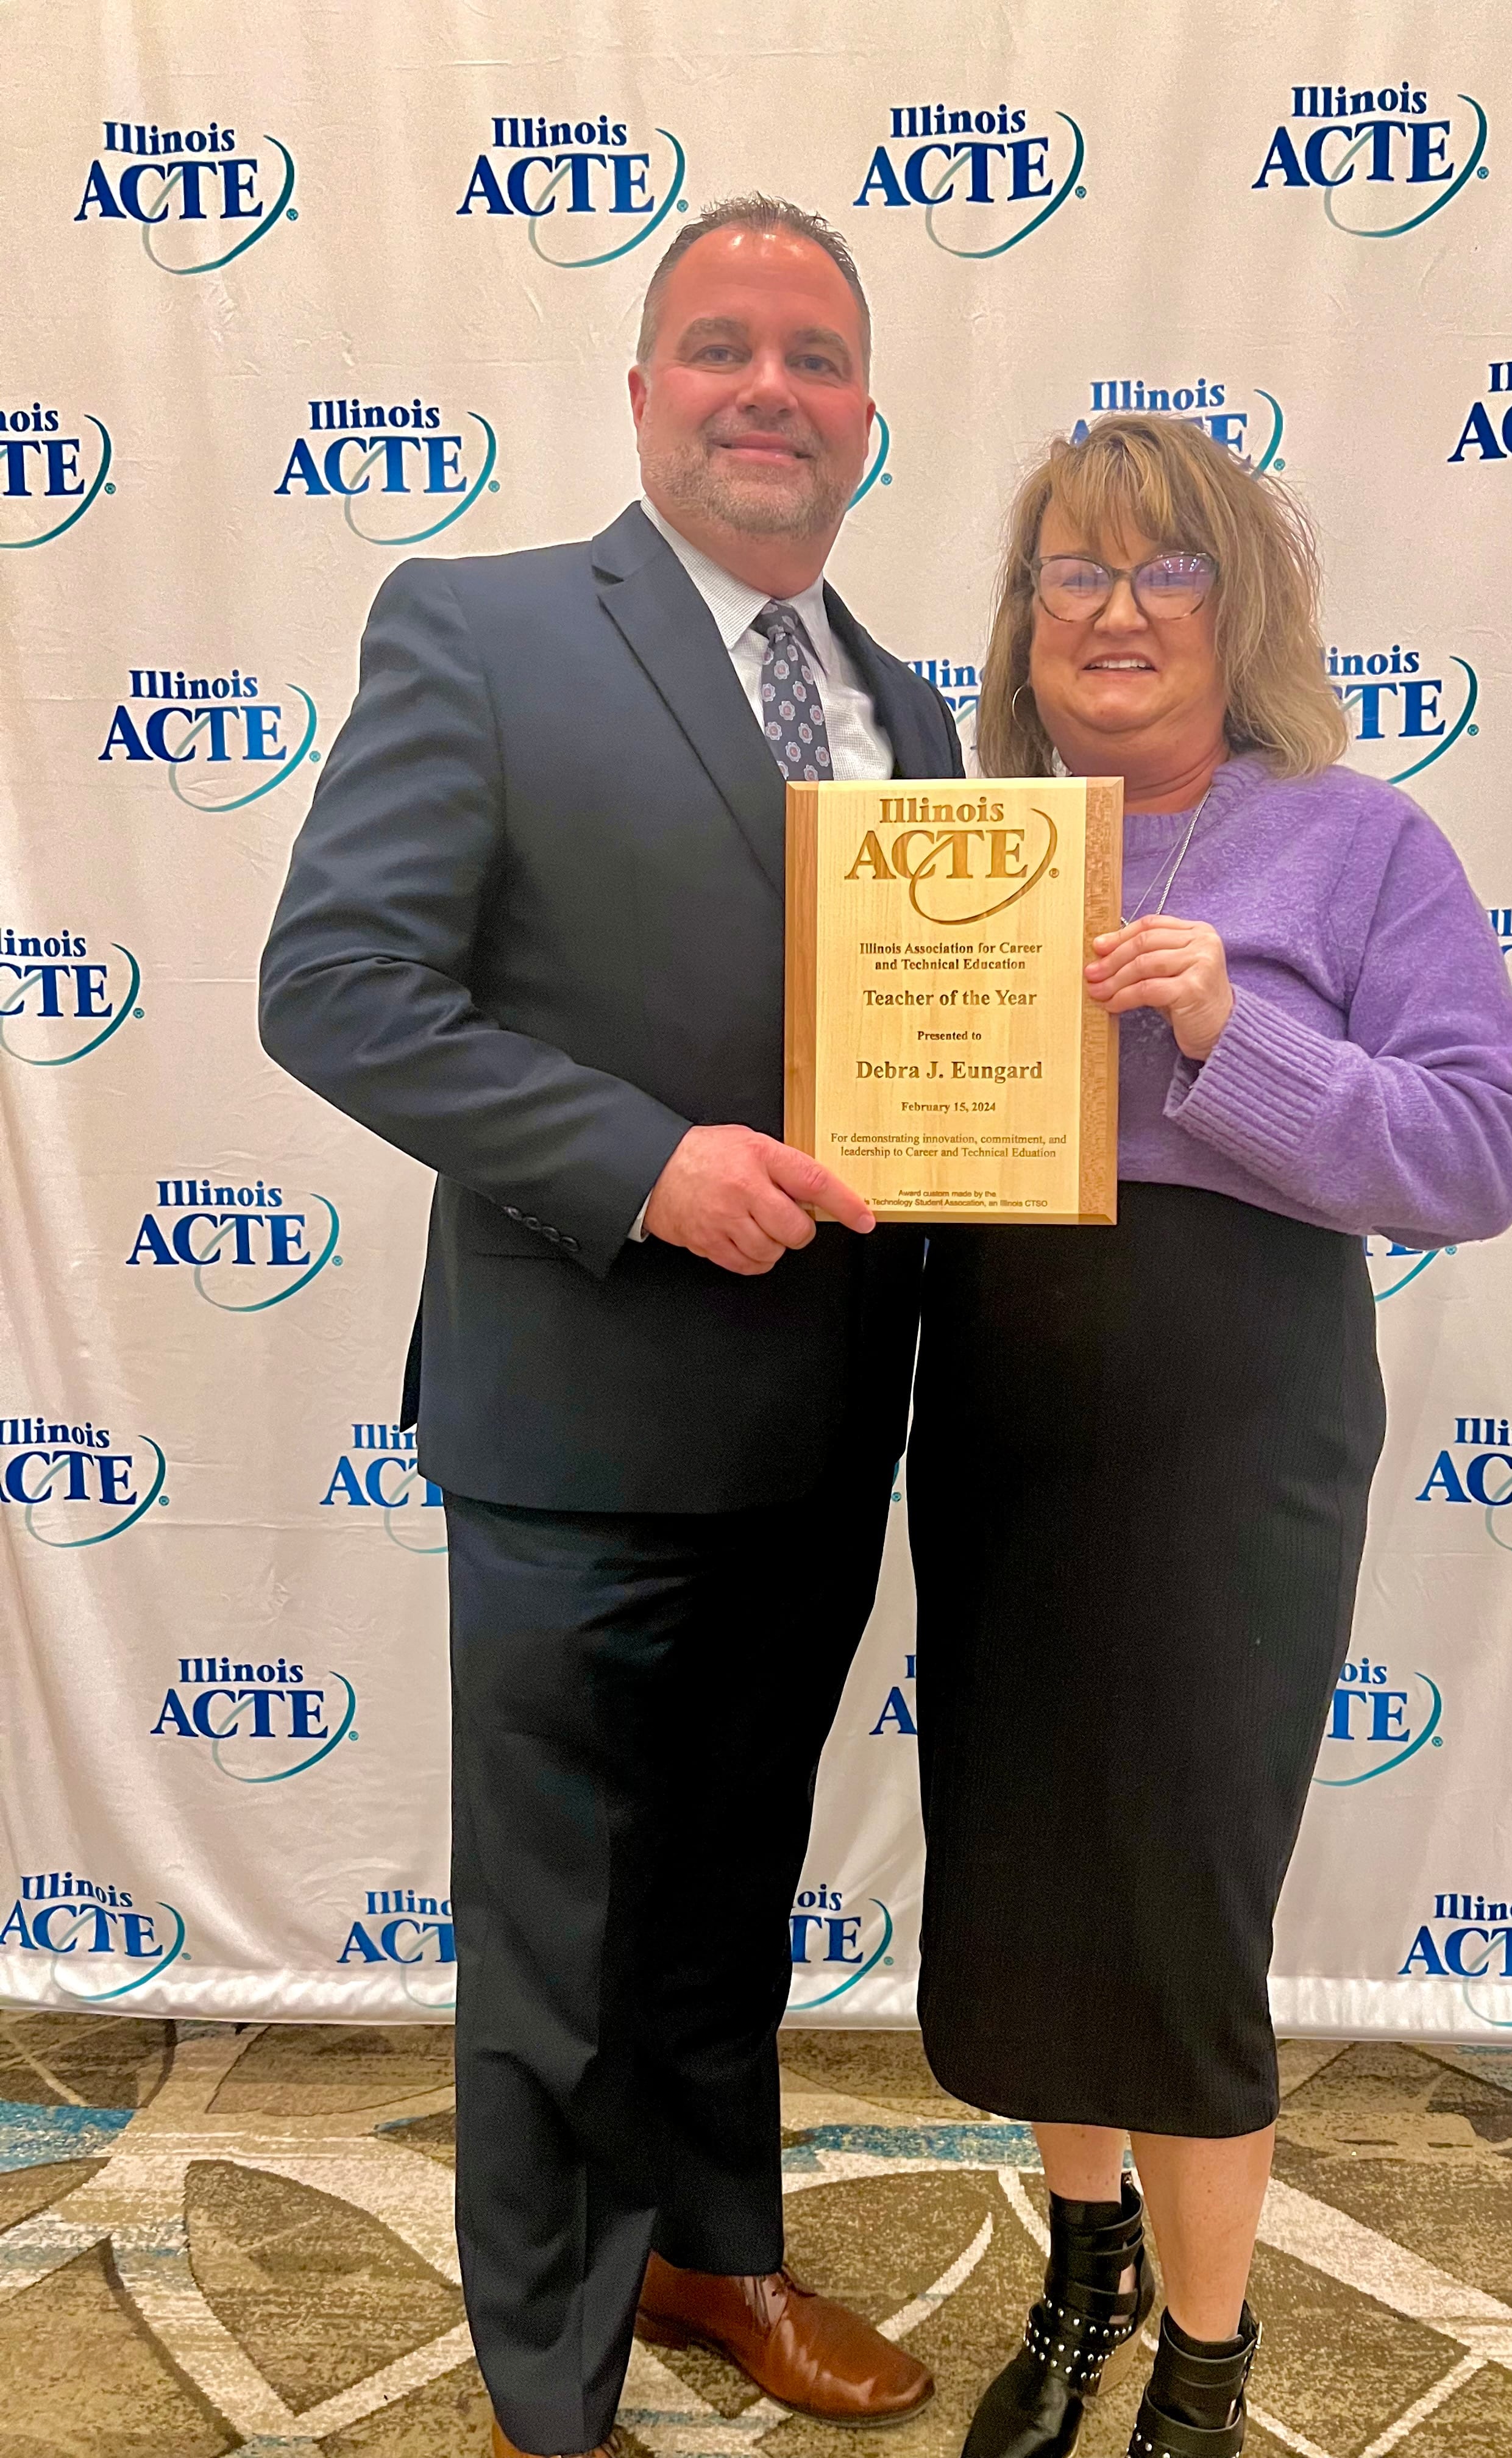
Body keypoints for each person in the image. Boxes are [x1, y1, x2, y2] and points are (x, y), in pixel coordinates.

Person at [259, 196, 960, 2458]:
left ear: (871, 421)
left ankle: (711, 2258)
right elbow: (337, 988)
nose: (774, 389)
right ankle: (545, 2392)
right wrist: (644, 1161)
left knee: (729, 1904)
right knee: (557, 1944)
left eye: (819, 358)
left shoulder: (916, 709)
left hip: (827, 1422)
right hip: (576, 1417)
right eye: (723, 348)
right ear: (642, 391)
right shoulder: (472, 629)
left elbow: (929, 1070)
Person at [906, 414, 1512, 2458]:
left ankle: (1204, 2358)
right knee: (1030, 1867)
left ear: (1236, 607)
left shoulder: (1360, 842)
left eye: (1160, 571)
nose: (1111, 613)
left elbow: (1482, 1145)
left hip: (1234, 1420)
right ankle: (1081, 2279)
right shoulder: (963, 838)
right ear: (1022, 623)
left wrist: (1225, 1030)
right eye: (1067, 575)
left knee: (1181, 1884)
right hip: (1000, 1400)